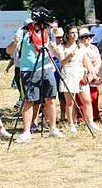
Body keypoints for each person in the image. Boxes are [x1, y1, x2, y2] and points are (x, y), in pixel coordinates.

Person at [7, 8, 63, 142]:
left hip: (46, 67)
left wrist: (56, 51)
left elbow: (55, 51)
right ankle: (26, 132)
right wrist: (15, 42)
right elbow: (9, 50)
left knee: (50, 99)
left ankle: (53, 128)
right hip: (28, 69)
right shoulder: (24, 31)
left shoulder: (47, 31)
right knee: (29, 100)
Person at [57, 26, 98, 133]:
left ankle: (90, 122)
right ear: (67, 34)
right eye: (72, 33)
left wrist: (91, 72)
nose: (74, 35)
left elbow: (86, 62)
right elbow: (62, 63)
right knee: (70, 102)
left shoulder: (81, 47)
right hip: (68, 74)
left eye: (76, 33)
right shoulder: (62, 47)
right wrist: (70, 55)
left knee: (87, 100)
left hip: (80, 74)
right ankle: (71, 124)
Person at [80, 29, 102, 122]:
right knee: (82, 98)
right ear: (81, 38)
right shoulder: (79, 48)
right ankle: (81, 117)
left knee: (94, 97)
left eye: (90, 36)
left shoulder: (94, 48)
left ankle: (95, 115)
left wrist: (94, 72)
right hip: (83, 74)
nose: (89, 38)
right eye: (86, 37)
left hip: (94, 74)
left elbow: (98, 61)